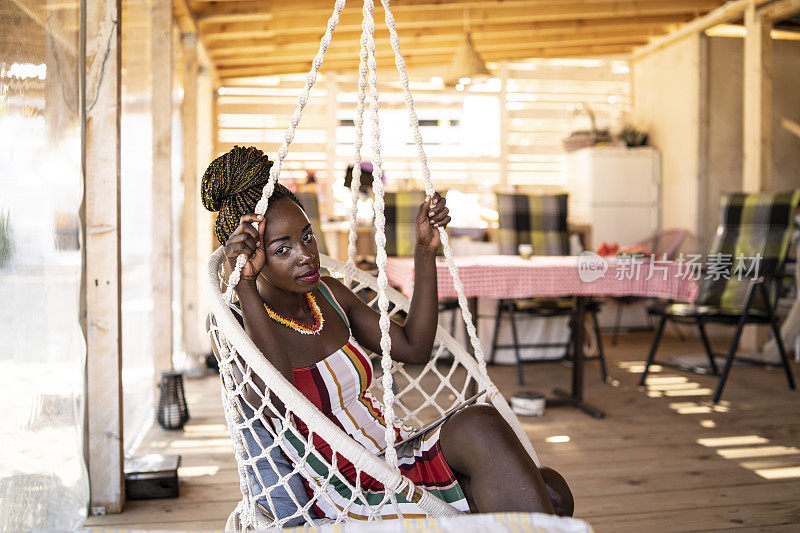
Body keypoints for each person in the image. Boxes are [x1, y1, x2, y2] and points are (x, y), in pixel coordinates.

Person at [202, 146, 573, 521]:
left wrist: (425, 252)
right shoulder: (232, 323)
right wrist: (244, 284)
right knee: (537, 489)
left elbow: (414, 347)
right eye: (282, 249)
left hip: (398, 450)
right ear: (252, 258)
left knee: (544, 480)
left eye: (308, 237)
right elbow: (275, 398)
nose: (305, 255)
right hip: (348, 484)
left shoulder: (331, 295)